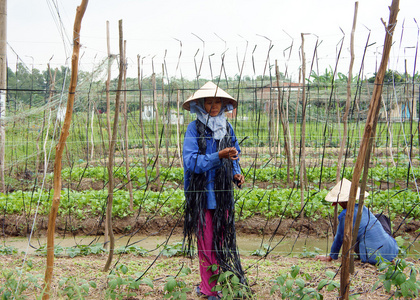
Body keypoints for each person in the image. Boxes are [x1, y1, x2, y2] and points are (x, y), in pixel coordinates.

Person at [182, 81, 246, 299]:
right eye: (209, 101)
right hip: (201, 196)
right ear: (201, 104)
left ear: (224, 104)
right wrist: (218, 157)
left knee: (220, 241)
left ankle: (214, 283)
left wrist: (236, 173)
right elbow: (191, 162)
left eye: (218, 101)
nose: (214, 105)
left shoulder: (227, 127)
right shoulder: (194, 128)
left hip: (222, 195)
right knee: (205, 242)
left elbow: (234, 153)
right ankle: (210, 290)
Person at [316, 178, 399, 265]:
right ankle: (388, 258)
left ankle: (377, 257)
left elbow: (340, 237)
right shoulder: (362, 208)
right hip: (391, 250)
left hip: (371, 256)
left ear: (339, 202)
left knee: (350, 237)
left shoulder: (345, 214)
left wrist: (331, 257)